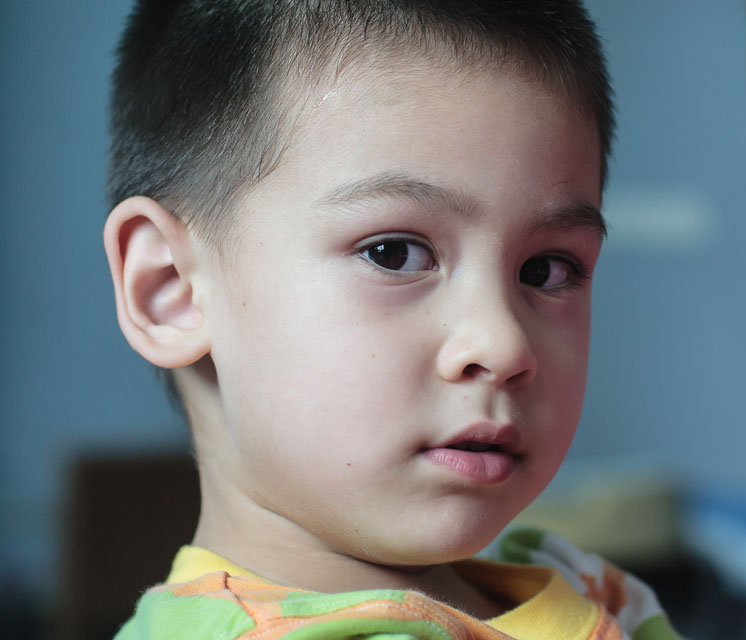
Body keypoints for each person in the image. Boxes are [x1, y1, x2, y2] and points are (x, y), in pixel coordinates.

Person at [103, 1, 680, 638]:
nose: (503, 343)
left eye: (545, 269)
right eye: (394, 253)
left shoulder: (591, 591)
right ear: (171, 290)